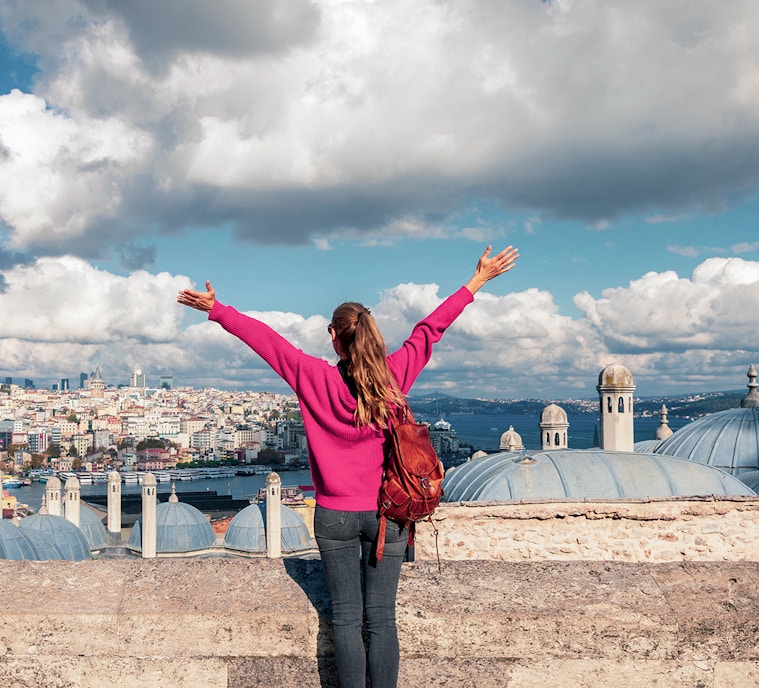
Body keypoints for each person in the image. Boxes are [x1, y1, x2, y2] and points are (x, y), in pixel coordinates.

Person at [177, 245, 518, 688]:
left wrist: (218, 309)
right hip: (386, 513)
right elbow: (429, 330)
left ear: (332, 336)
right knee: (381, 619)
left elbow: (265, 340)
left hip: (334, 515)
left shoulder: (311, 376)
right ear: (372, 337)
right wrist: (476, 281)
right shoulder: (393, 375)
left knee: (345, 618)